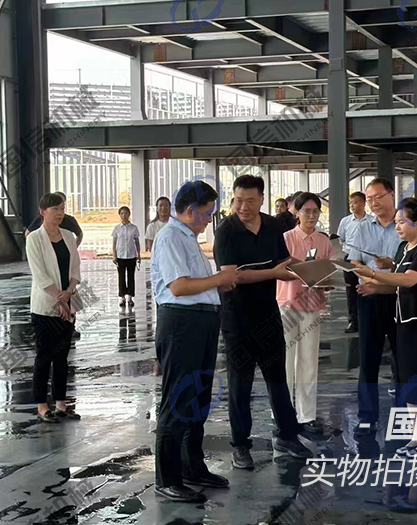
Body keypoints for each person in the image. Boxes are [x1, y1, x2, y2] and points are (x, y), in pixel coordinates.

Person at [214, 175, 313, 469]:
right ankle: (240, 445)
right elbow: (232, 276)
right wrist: (274, 273)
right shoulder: (226, 230)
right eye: (238, 200)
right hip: (237, 317)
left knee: (277, 379)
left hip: (268, 314)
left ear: (262, 200)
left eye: (250, 201)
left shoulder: (272, 226)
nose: (243, 207)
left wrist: (314, 272)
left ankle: (287, 436)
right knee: (240, 384)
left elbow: (283, 262)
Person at [151, 181, 238, 503]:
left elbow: (197, 285)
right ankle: (167, 478)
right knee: (178, 398)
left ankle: (192, 468)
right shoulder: (170, 237)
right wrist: (219, 279)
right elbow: (179, 287)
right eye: (207, 213)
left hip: (201, 321)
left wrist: (218, 285)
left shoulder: (188, 238)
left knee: (197, 399)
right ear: (190, 211)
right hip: (181, 323)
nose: (209, 220)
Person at [353, 198, 417, 460]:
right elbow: (398, 285)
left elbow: (409, 280)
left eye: (401, 222)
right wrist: (375, 287)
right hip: (406, 323)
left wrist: (372, 274)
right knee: (409, 380)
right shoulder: (404, 249)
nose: (396, 227)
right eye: (395, 222)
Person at [347, 178, 404, 436]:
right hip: (369, 298)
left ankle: (404, 414)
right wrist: (370, 276)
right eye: (369, 199)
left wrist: (391, 266)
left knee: (403, 358)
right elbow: (354, 262)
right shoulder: (362, 228)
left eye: (378, 197)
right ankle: (367, 416)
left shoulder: (404, 224)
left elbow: (414, 260)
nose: (373, 203)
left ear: (391, 195)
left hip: (400, 298)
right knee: (368, 360)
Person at [276, 192, 334, 436]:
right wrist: (302, 272)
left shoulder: (323, 241)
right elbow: (278, 269)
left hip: (312, 304)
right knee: (286, 360)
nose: (311, 216)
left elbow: (329, 271)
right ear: (296, 213)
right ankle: (282, 412)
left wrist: (326, 281)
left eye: (315, 211)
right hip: (287, 303)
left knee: (309, 360)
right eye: (306, 211)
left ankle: (306, 414)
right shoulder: (286, 238)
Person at [25, 193, 82, 423]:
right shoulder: (34, 239)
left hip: (68, 303)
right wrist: (59, 299)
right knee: (44, 356)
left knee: (62, 356)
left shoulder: (68, 236)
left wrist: (69, 292)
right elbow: (40, 275)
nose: (60, 213)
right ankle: (42, 406)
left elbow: (75, 269)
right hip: (45, 307)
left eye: (62, 209)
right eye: (55, 209)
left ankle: (61, 404)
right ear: (42, 212)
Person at [337, 191, 366, 334]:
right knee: (351, 290)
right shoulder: (345, 221)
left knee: (366, 288)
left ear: (363, 203)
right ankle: (353, 322)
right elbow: (341, 238)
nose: (352, 205)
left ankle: (366, 320)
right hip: (349, 258)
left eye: (355, 202)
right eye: (350, 203)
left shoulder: (371, 221)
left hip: (365, 259)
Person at [112, 206, 141, 308]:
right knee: (121, 278)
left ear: (129, 214)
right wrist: (114, 255)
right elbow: (114, 243)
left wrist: (138, 255)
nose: (124, 215)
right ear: (119, 215)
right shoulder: (117, 228)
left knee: (131, 277)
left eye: (126, 213)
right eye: (122, 213)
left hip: (131, 256)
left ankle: (130, 297)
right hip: (120, 256)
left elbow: (137, 242)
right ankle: (122, 298)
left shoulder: (134, 228)